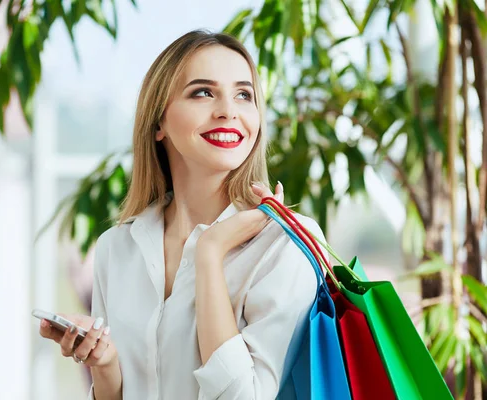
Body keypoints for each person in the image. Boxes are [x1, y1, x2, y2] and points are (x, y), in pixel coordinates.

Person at [38, 29, 326, 400]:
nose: (228, 110)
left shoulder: (287, 244)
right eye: (203, 92)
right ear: (158, 123)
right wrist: (105, 365)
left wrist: (209, 253)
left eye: (243, 94)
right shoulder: (117, 248)